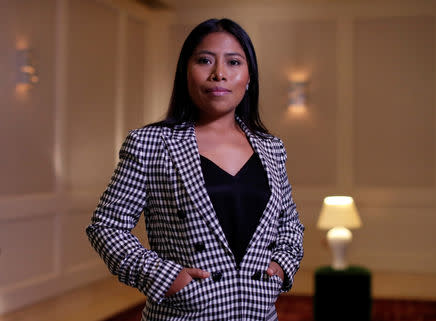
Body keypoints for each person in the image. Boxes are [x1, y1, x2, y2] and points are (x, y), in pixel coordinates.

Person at [86, 18, 304, 321]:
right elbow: (107, 226)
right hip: (185, 314)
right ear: (185, 72)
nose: (219, 74)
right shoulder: (151, 144)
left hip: (259, 314)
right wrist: (165, 277)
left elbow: (289, 224)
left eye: (233, 62)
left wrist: (281, 266)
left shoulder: (271, 148)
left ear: (249, 76)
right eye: (204, 61)